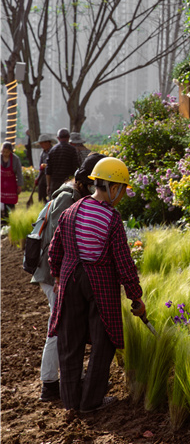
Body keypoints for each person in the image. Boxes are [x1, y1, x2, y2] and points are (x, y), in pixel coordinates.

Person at [48, 157, 145, 414]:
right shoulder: (112, 218)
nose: (123, 195)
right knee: (103, 342)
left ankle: (71, 402)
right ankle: (91, 401)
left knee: (70, 341)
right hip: (99, 285)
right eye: (122, 189)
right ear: (112, 187)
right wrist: (136, 297)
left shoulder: (71, 211)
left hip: (70, 282)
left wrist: (59, 277)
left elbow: (55, 248)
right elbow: (124, 262)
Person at [31, 152, 105, 402]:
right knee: (59, 327)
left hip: (61, 272)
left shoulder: (73, 193)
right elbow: (56, 241)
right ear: (87, 181)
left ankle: (62, 380)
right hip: (53, 273)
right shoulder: (67, 197)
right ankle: (50, 383)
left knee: (64, 326)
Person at [45, 128, 80, 199]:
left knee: (53, 203)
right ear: (68, 137)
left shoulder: (52, 150)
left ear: (58, 138)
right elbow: (76, 168)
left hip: (54, 183)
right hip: (68, 183)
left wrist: (48, 185)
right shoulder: (72, 150)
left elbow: (48, 170)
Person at [1, 141, 23, 219]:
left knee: (10, 206)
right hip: (1, 185)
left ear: (10, 151)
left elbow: (19, 174)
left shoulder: (15, 159)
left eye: (7, 152)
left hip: (11, 186)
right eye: (3, 151)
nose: (5, 153)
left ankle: (11, 221)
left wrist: (19, 186)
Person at [33, 133, 57, 204]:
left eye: (42, 143)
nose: (41, 145)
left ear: (48, 143)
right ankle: (42, 203)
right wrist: (38, 177)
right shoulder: (42, 153)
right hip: (43, 175)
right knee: (41, 190)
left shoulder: (53, 151)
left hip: (51, 175)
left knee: (50, 192)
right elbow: (41, 167)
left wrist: (47, 166)